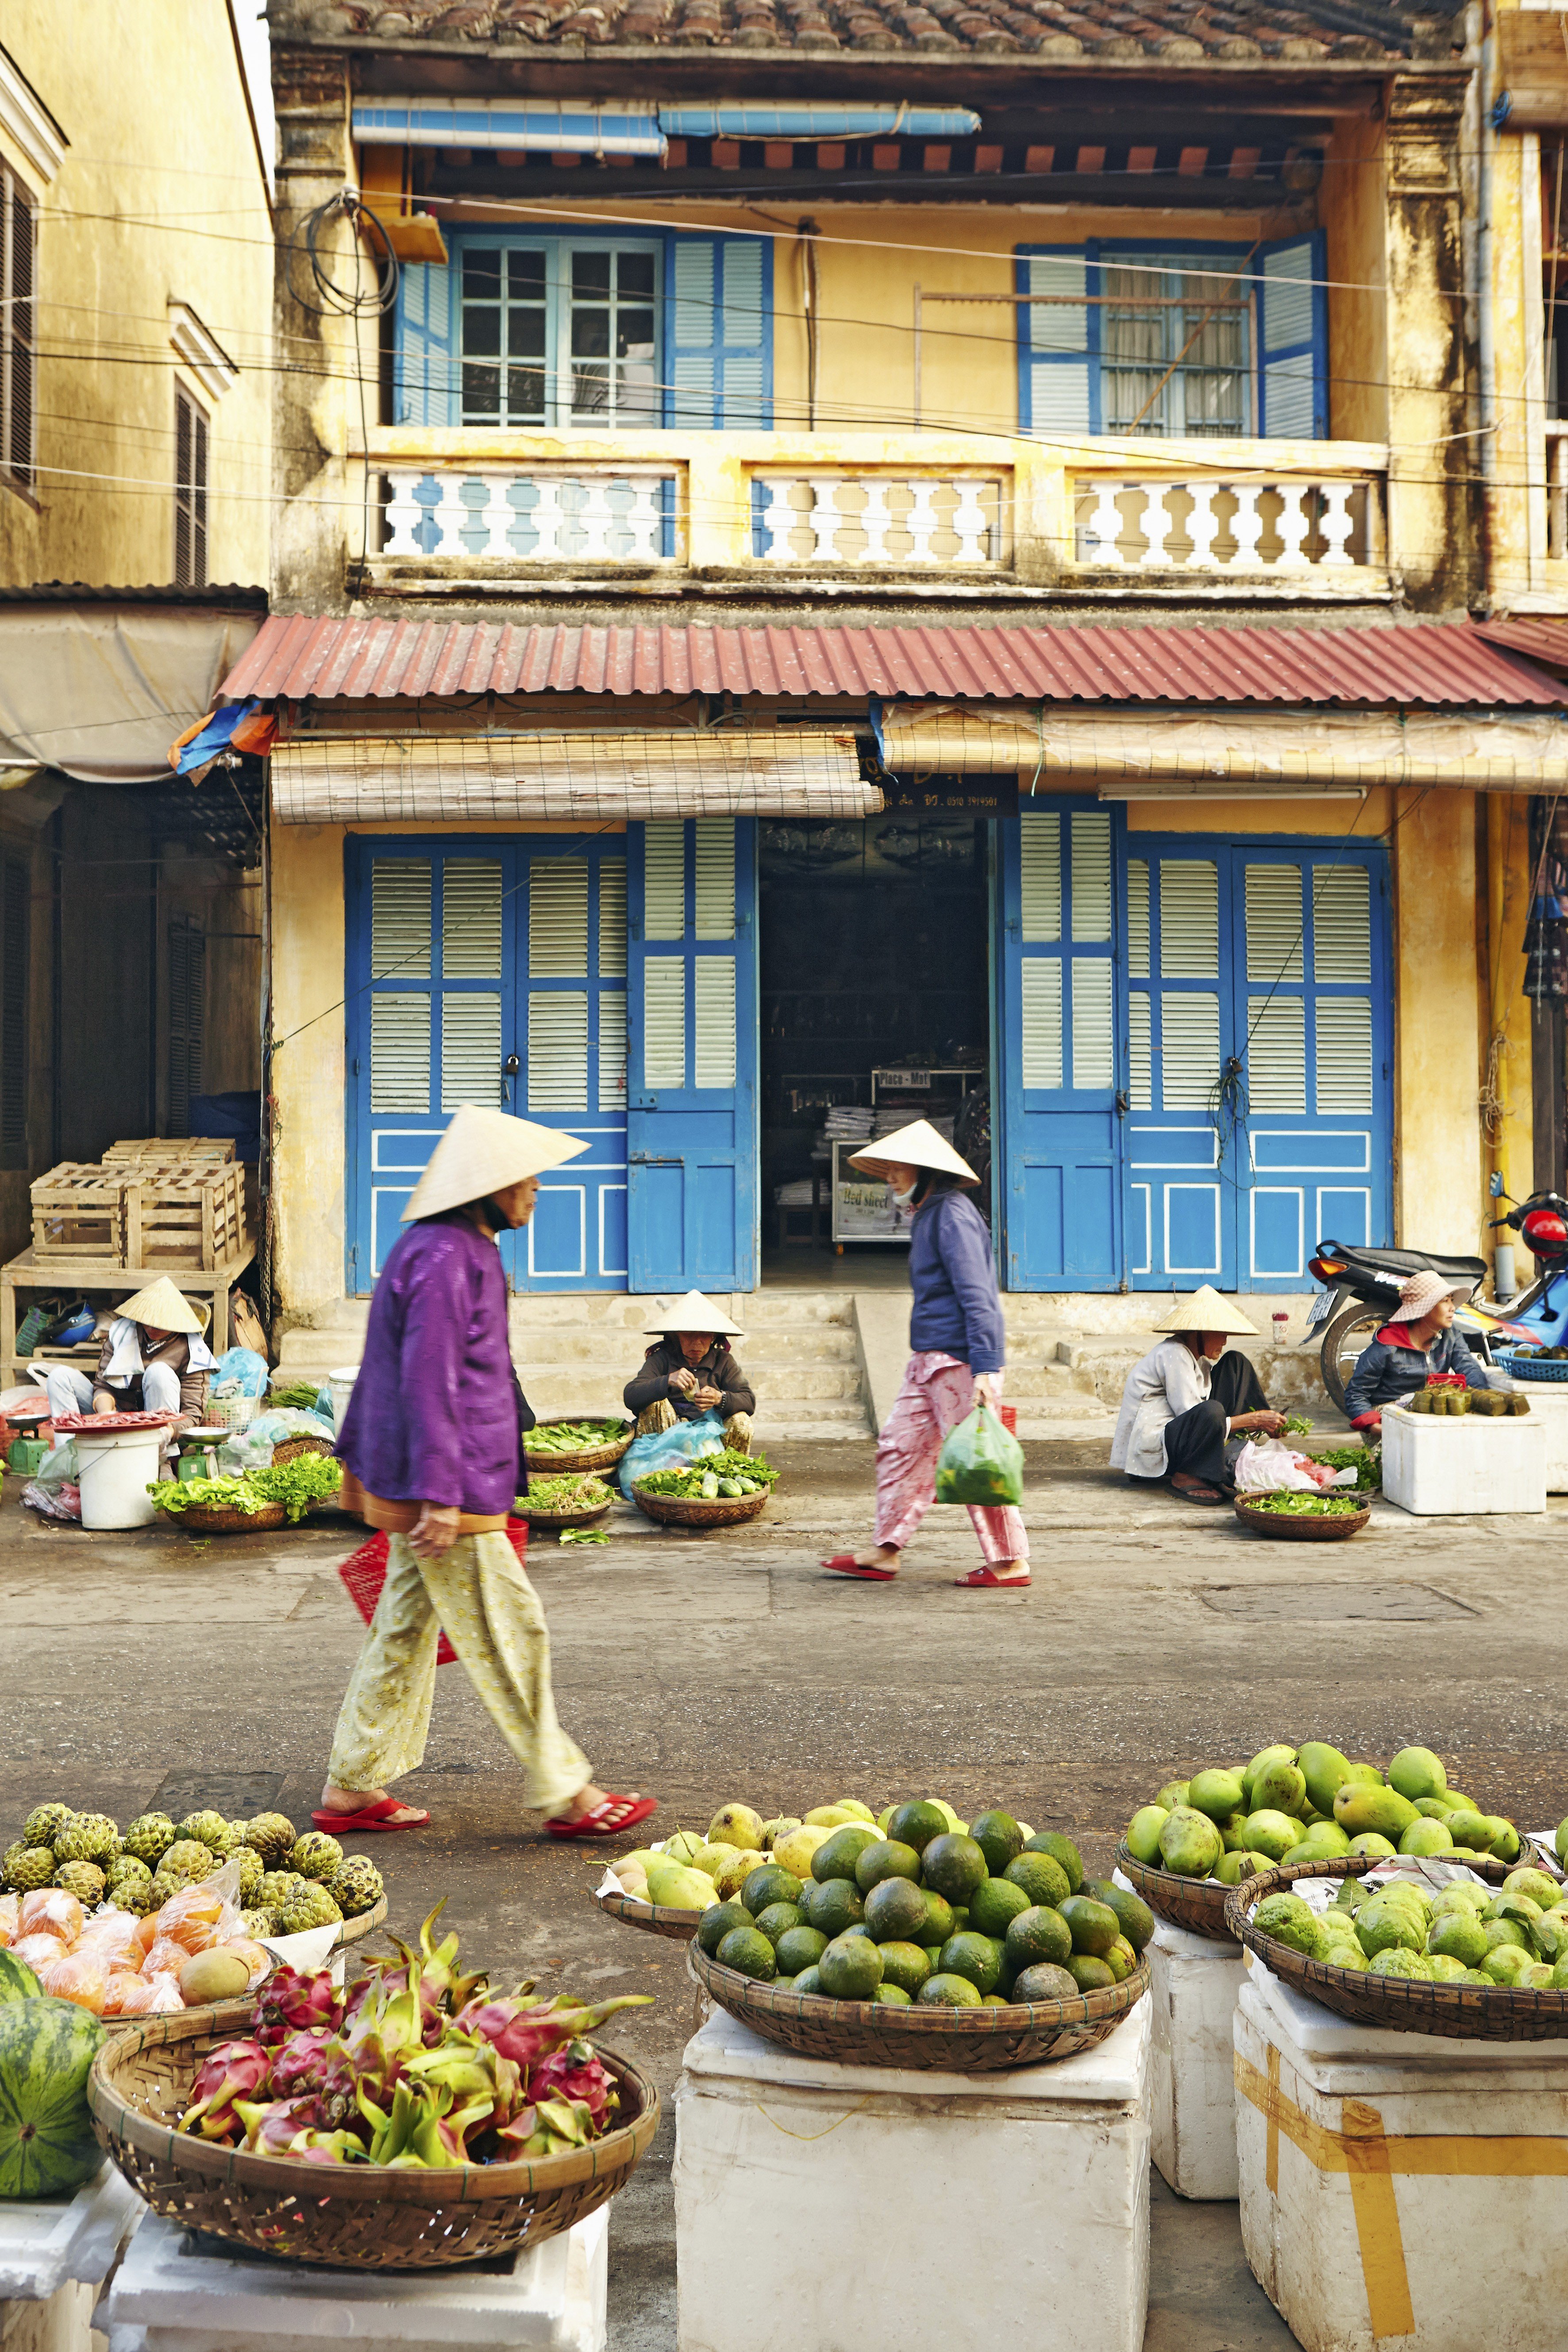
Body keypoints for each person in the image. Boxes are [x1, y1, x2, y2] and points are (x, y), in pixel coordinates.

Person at [316, 1102, 657, 1842]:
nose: (536, 1188)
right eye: (525, 1177)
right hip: (442, 1481)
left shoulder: (447, 1247)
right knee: (513, 1630)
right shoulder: (445, 1258)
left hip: (432, 1472)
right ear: (490, 1187)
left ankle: (350, 1784)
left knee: (403, 1631)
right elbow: (428, 1381)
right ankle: (566, 1791)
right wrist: (442, 1496)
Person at [820, 1118, 1029, 1590]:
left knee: (980, 1464)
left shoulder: (952, 1212)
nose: (890, 1175)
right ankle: (886, 1549)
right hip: (929, 1360)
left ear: (924, 1168)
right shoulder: (930, 1211)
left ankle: (1011, 1561)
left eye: (898, 1166)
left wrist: (986, 1367)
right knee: (900, 1447)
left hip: (959, 1361)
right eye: (888, 1167)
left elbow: (979, 1295)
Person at [1111, 1288, 1286, 1504]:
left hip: (1179, 1436)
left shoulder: (1199, 1361)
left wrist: (1261, 1422)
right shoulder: (1173, 1353)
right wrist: (1253, 1420)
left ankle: (1234, 1450)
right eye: (1220, 1334)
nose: (1224, 1341)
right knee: (1212, 1410)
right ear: (1198, 1332)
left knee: (1235, 1364)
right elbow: (1194, 1414)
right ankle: (1186, 1475)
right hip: (1154, 1445)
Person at [43, 1277, 215, 1425]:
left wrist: (169, 1432)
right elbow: (103, 1385)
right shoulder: (122, 1334)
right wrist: (106, 1415)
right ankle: (69, 1456)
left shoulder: (193, 1350)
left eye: (160, 1324)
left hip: (162, 1428)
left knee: (159, 1372)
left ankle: (158, 1458)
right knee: (59, 1377)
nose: (152, 1328)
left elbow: (192, 1413)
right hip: (119, 1416)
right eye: (148, 1321)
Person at [1343, 1271, 1490, 1432]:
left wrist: (1484, 1398)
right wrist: (1375, 1427)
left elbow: (1469, 1368)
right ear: (1425, 1309)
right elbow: (1356, 1395)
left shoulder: (1451, 1335)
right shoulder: (1387, 1345)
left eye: (1452, 1301)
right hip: (1391, 1416)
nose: (1453, 1308)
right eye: (1445, 1301)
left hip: (1428, 1410)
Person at [624, 1292, 755, 1453]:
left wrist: (720, 1398)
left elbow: (749, 1400)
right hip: (668, 1437)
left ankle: (727, 1470)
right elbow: (631, 1395)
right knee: (656, 1405)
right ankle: (663, 1469)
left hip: (711, 1435)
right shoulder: (662, 1358)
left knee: (742, 1420)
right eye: (689, 1335)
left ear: (713, 1337)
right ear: (676, 1336)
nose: (697, 1343)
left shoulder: (723, 1361)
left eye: (704, 1336)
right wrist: (668, 1381)